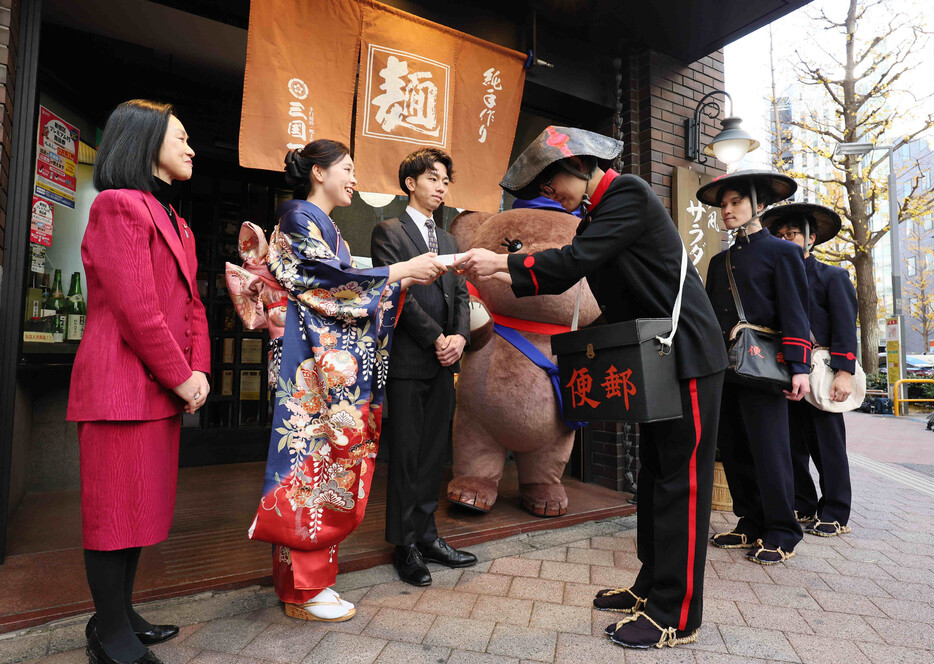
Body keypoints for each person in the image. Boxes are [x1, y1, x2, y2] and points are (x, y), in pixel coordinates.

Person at [457, 126, 727, 649]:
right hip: (659, 357)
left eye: (552, 178)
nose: (551, 191)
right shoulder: (597, 217)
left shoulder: (627, 193)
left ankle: (678, 613)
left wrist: (500, 262)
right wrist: (499, 270)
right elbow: (561, 277)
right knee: (654, 476)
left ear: (581, 166)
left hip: (687, 353)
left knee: (681, 481)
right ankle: (651, 588)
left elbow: (572, 264)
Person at [245, 139, 445, 622]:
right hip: (310, 368)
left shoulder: (324, 225)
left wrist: (395, 280)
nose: (354, 178)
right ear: (318, 172)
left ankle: (312, 584)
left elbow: (347, 278)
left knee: (327, 466)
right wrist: (398, 271)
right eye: (347, 168)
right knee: (310, 467)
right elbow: (325, 278)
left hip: (321, 365)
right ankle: (302, 591)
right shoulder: (298, 218)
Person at [67, 100, 210, 664]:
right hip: (119, 386)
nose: (191, 147)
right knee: (113, 515)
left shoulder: (176, 221)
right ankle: (109, 634)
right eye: (181, 136)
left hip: (159, 387)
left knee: (138, 511)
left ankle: (118, 614)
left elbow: (194, 307)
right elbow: (136, 310)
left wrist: (198, 370)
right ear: (145, 142)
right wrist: (183, 376)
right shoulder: (118, 205)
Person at [370, 148, 476, 586]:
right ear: (410, 182)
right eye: (433, 178)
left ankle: (429, 535)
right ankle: (404, 543)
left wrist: (460, 338)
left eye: (445, 180)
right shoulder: (387, 231)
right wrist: (436, 338)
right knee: (408, 454)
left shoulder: (450, 240)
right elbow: (398, 296)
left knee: (435, 453)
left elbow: (463, 296)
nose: (441, 186)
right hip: (410, 361)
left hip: (444, 362)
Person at [697, 171, 811, 566]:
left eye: (736, 203)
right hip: (725, 366)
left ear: (759, 206)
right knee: (735, 447)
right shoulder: (718, 261)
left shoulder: (783, 252)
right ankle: (750, 520)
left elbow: (795, 310)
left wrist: (800, 366)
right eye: (723, 205)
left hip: (766, 365)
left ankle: (782, 530)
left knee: (770, 450)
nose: (726, 211)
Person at [765, 203, 856, 537]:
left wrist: (844, 371)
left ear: (810, 238)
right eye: (781, 235)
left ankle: (835, 511)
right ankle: (803, 504)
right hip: (783, 370)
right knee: (790, 445)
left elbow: (846, 326)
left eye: (793, 234)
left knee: (827, 444)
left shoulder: (832, 276)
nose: (787, 240)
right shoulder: (774, 278)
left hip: (823, 372)